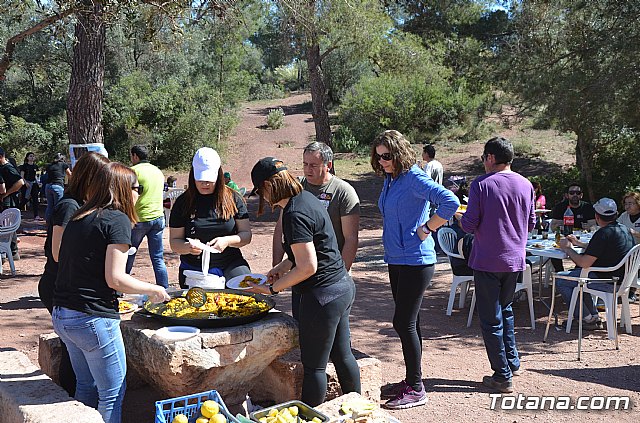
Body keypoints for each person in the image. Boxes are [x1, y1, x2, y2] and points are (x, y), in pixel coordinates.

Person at [52, 162, 170, 423]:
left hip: (63, 315)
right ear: (124, 189)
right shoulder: (117, 219)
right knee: (112, 393)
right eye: (137, 188)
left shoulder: (80, 216)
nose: (139, 193)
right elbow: (115, 278)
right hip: (91, 319)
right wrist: (154, 289)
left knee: (86, 386)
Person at [247, 157, 361, 407]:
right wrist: (281, 267)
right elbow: (313, 248)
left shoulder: (294, 213)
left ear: (268, 186)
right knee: (342, 355)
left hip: (322, 296)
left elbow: (309, 266)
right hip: (342, 287)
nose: (263, 198)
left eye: (260, 191)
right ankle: (359, 408)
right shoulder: (307, 198)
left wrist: (272, 288)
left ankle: (310, 415)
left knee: (314, 367)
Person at [371, 130, 459, 409]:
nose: (382, 160)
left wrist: (427, 229)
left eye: (387, 156)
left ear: (398, 153)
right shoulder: (391, 179)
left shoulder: (414, 177)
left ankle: (417, 388)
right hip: (396, 259)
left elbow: (451, 202)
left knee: (403, 322)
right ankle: (412, 379)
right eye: (378, 156)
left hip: (417, 260)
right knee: (411, 323)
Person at [459, 136, 535, 394]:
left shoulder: (481, 185)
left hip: (488, 260)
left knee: (491, 319)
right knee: (507, 310)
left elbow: (469, 224)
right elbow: (532, 223)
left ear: (490, 158)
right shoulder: (526, 184)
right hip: (514, 260)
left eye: (483, 158)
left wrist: (460, 218)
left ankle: (502, 375)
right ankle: (512, 362)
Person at [38, 151, 110, 396]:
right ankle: (70, 398)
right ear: (89, 178)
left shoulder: (82, 204)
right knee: (72, 352)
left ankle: (77, 394)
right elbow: (59, 253)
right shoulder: (69, 205)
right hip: (56, 285)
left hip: (66, 285)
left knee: (74, 349)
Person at [272, 142, 361, 318]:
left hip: (331, 275)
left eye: (313, 165)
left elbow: (350, 238)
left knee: (332, 329)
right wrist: (277, 266)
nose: (307, 170)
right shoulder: (296, 188)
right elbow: (280, 228)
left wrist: (340, 274)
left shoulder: (343, 192)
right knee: (302, 324)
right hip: (302, 270)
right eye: (305, 164)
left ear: (328, 165)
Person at [169, 147, 252, 288]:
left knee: (247, 290)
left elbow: (246, 235)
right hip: (194, 267)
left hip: (230, 263)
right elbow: (174, 242)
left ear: (218, 175)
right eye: (200, 179)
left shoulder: (233, 198)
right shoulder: (183, 203)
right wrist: (188, 247)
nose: (205, 183)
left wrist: (227, 240)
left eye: (209, 179)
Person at [555, 198, 634, 328]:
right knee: (578, 276)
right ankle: (592, 316)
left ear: (596, 216)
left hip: (608, 281)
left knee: (561, 280)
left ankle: (585, 319)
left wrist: (567, 248)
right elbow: (602, 248)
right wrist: (578, 243)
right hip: (622, 280)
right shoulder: (623, 229)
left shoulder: (603, 233)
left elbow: (584, 263)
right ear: (616, 214)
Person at [125, 145, 169, 288]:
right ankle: (164, 288)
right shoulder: (158, 171)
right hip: (158, 218)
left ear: (135, 156)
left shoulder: (133, 172)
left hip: (139, 219)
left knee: (128, 254)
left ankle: (120, 288)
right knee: (157, 258)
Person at [549, 183, 596, 271]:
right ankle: (559, 272)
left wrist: (588, 226)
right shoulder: (560, 207)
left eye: (577, 193)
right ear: (567, 195)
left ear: (581, 195)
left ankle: (576, 272)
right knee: (553, 251)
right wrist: (559, 225)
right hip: (564, 237)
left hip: (581, 239)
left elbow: (593, 225)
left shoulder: (587, 207)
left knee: (588, 251)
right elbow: (552, 226)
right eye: (572, 193)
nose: (575, 195)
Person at [0, 147, 25, 259]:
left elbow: (20, 182)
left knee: (8, 226)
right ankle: (12, 251)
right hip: (6, 201)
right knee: (8, 226)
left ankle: (12, 251)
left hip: (8, 202)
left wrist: (6, 194)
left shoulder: (8, 168)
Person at [45, 153, 72, 223]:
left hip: (48, 186)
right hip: (58, 185)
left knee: (50, 206)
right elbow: (70, 174)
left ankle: (48, 223)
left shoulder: (50, 166)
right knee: (59, 206)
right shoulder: (63, 165)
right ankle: (57, 224)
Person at [19, 152, 41, 219]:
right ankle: (17, 211)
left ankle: (36, 215)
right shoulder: (24, 166)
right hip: (27, 184)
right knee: (25, 199)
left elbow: (37, 176)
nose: (32, 157)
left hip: (34, 184)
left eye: (33, 156)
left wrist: (38, 183)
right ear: (27, 157)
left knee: (35, 199)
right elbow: (21, 176)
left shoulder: (36, 166)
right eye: (30, 156)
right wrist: (25, 183)